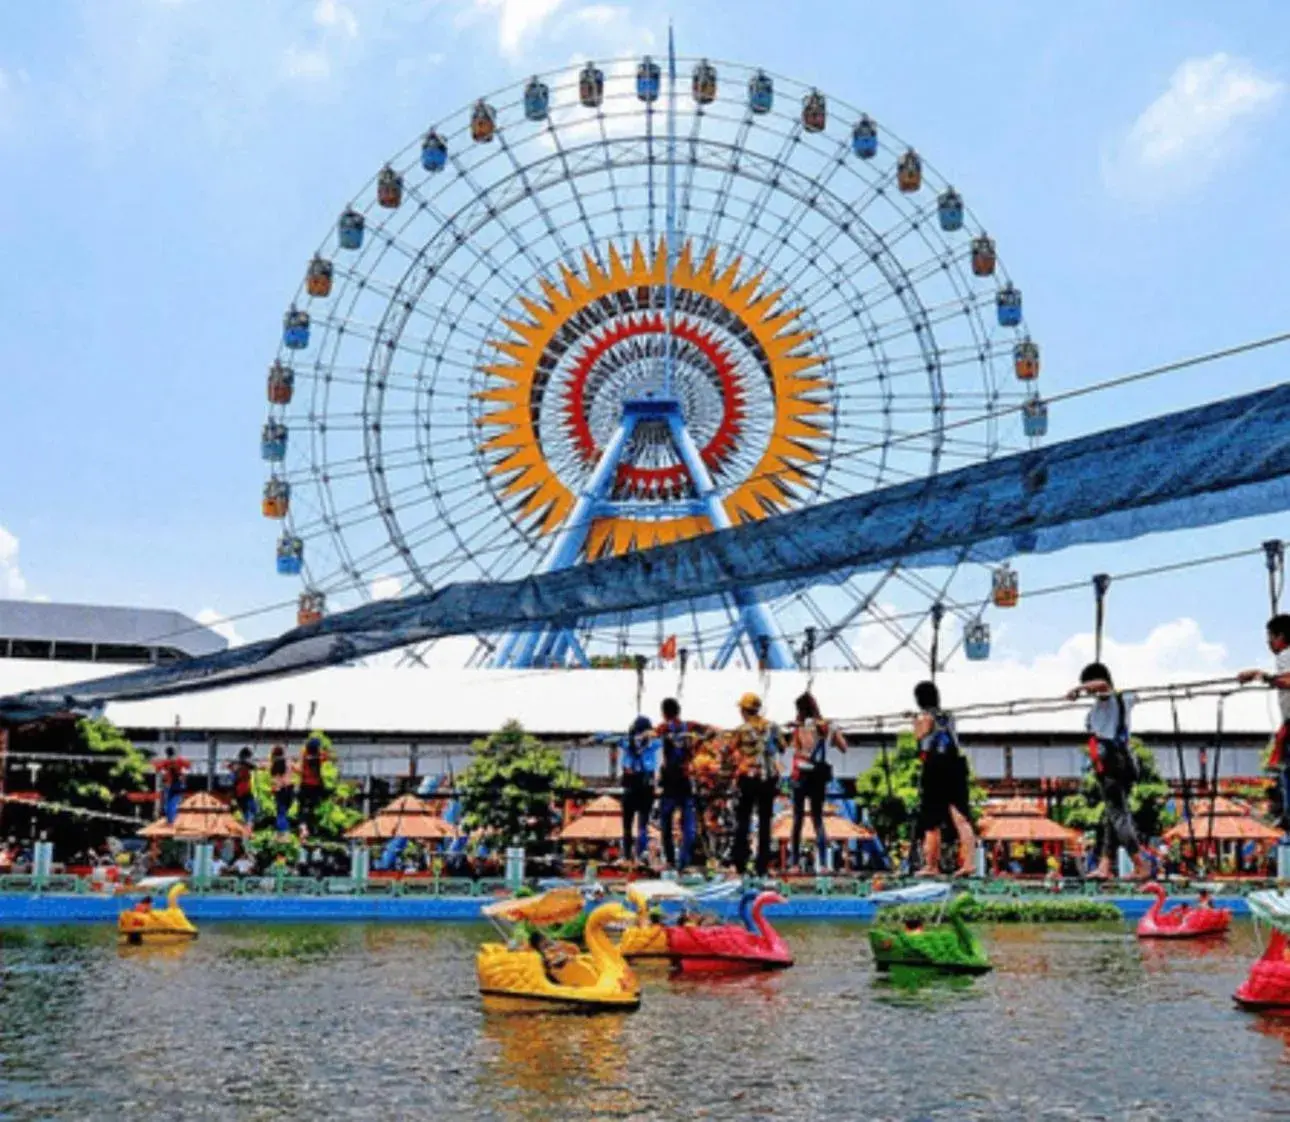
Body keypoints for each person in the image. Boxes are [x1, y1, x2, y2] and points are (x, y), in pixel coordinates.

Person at [1068, 662, 1149, 879]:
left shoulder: (1105, 701)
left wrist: (1079, 690)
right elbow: (1130, 695)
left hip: (1110, 763)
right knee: (1112, 817)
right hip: (1126, 761)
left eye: (1088, 686)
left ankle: (1140, 864)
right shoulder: (1124, 698)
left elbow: (1103, 685)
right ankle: (1104, 865)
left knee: (1118, 815)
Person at [911, 680, 977, 878]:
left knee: (931, 820)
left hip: (935, 767)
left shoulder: (924, 716)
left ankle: (931, 865)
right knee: (960, 816)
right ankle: (969, 863)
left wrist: (915, 722)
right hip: (955, 766)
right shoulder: (949, 716)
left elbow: (920, 736)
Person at [1238, 614, 1290, 833]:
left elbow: (1287, 680)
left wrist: (1261, 676)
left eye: (1270, 637)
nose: (1269, 643)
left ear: (1281, 636)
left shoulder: (1286, 655)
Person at [726, 692, 785, 877]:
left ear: (744, 710)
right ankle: (762, 865)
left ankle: (741, 862)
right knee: (765, 823)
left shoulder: (742, 730)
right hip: (768, 779)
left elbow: (728, 751)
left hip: (749, 778)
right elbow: (783, 746)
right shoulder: (773, 727)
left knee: (743, 820)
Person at [787, 692, 847, 873]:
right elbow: (843, 747)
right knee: (818, 818)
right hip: (818, 777)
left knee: (797, 819)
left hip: (801, 776)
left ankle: (795, 863)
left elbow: (797, 748)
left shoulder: (801, 726)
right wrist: (831, 733)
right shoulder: (827, 726)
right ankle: (822, 864)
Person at [655, 698, 713, 871]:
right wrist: (698, 743)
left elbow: (651, 735)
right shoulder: (689, 726)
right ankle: (684, 861)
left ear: (664, 713)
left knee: (666, 823)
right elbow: (711, 730)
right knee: (688, 825)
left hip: (669, 781)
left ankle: (671, 861)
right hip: (686, 778)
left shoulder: (664, 728)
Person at [620, 716, 658, 867]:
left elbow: (608, 738)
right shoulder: (653, 744)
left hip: (629, 787)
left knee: (627, 826)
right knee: (643, 825)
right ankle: (640, 856)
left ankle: (627, 857)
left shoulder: (626, 742)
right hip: (646, 788)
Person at [295, 736, 329, 838]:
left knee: (302, 809)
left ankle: (303, 827)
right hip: (316, 787)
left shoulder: (305, 754)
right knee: (311, 808)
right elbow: (326, 756)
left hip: (305, 785)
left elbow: (300, 770)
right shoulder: (319, 756)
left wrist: (292, 766)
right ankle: (310, 828)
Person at [153, 746, 191, 824]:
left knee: (168, 803)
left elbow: (157, 769)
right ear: (174, 752)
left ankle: (170, 820)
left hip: (170, 785)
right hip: (179, 784)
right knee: (174, 802)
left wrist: (163, 772)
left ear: (167, 753)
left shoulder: (166, 762)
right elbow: (188, 766)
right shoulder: (180, 760)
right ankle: (172, 820)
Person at [229, 747, 258, 825]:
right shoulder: (240, 764)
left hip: (245, 791)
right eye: (249, 756)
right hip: (241, 792)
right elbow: (233, 777)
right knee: (248, 810)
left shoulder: (243, 764)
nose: (249, 759)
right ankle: (246, 826)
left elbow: (254, 766)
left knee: (253, 809)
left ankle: (247, 824)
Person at [268, 745, 293, 833]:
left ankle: (283, 832)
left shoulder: (273, 764)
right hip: (289, 788)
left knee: (281, 812)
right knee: (284, 812)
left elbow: (273, 780)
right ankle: (283, 830)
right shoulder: (288, 762)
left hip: (279, 790)